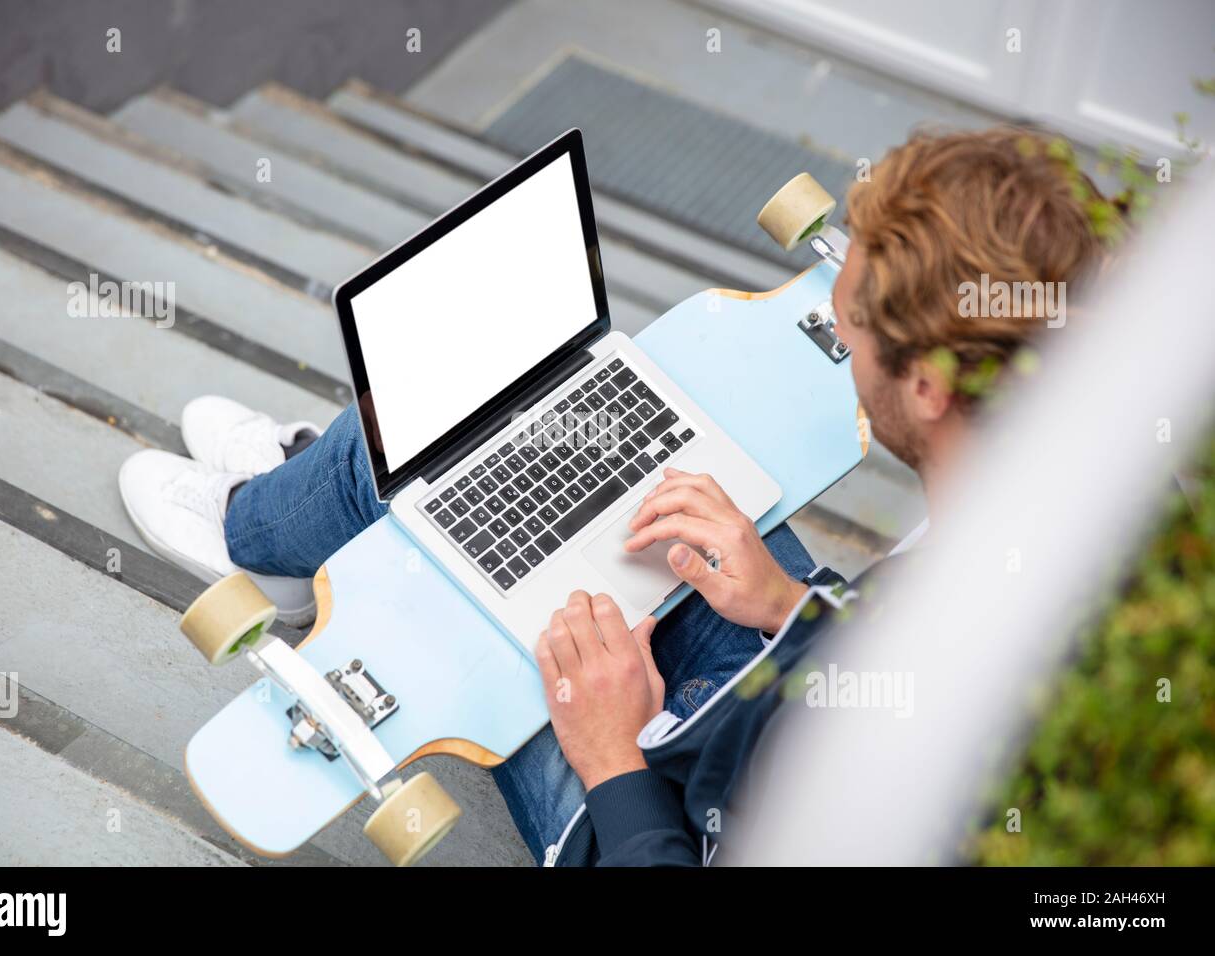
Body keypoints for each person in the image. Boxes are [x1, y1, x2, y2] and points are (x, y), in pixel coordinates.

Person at [120, 128, 1113, 865]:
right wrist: (782, 602)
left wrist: (610, 760)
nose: (838, 339)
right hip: (785, 688)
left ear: (931, 388)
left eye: (848, 323)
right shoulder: (1079, 526)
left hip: (657, 816)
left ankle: (269, 531)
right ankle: (319, 511)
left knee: (430, 467)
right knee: (540, 420)